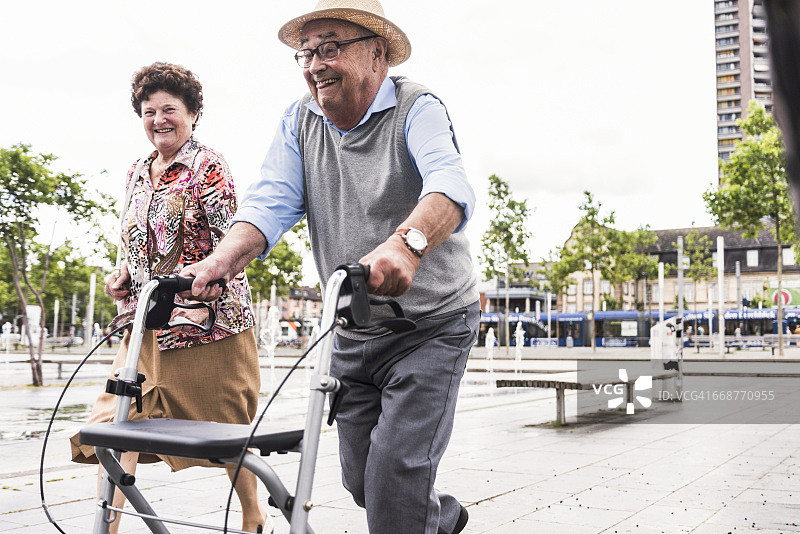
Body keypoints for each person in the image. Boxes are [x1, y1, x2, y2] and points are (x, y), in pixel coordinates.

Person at [181, 2, 479, 532]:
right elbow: (270, 200)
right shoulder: (301, 118)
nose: (316, 64)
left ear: (377, 53)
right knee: (363, 481)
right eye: (307, 52)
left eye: (331, 47)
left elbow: (450, 185)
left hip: (431, 325)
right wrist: (220, 260)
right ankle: (441, 518)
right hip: (353, 327)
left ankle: (417, 515)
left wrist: (405, 245)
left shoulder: (417, 107)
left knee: (394, 477)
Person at [70, 62, 272, 534]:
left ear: (193, 113)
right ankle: (108, 526)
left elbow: (232, 245)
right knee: (113, 428)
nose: (158, 119)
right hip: (145, 326)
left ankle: (253, 511)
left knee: (226, 431)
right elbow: (134, 243)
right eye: (148, 111)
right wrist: (123, 275)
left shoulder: (209, 166)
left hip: (208, 328)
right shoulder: (137, 171)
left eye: (169, 109)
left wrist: (203, 281)